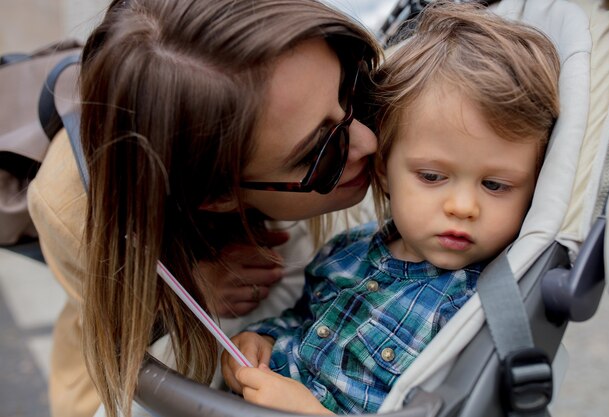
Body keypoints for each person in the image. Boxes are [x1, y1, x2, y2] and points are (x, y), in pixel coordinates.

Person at [26, 0, 382, 416]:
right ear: (217, 197)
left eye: (353, 88)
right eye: (320, 154)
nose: (368, 141)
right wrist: (174, 296)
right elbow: (115, 336)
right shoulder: (71, 209)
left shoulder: (308, 102)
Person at [221, 1, 561, 414]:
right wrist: (262, 339)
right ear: (383, 171)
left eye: (495, 184)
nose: (462, 207)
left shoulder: (475, 309)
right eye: (432, 177)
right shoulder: (346, 252)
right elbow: (303, 319)